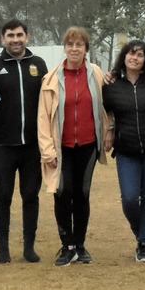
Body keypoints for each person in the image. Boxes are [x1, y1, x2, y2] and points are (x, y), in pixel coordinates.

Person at [38, 26, 106, 264]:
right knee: (62, 193)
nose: (74, 49)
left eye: (79, 45)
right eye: (70, 44)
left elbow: (106, 108)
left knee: (82, 194)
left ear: (86, 48)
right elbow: (43, 118)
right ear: (64, 48)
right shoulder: (51, 78)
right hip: (61, 146)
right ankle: (66, 245)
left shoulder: (97, 74)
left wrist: (108, 135)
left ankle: (80, 244)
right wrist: (48, 151)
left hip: (88, 145)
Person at [0, 19, 48, 263]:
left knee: (31, 195)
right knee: (3, 197)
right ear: (3, 39)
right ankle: (3, 249)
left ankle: (29, 248)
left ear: (27, 37)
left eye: (19, 35)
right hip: (2, 145)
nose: (15, 40)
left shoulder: (38, 65)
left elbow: (47, 104)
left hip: (32, 146)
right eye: (10, 35)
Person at [103, 38, 145, 263]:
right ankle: (144, 235)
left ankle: (142, 243)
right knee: (129, 199)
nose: (135, 58)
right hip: (126, 150)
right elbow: (106, 111)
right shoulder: (111, 85)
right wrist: (110, 129)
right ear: (124, 57)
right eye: (131, 53)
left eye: (140, 55)